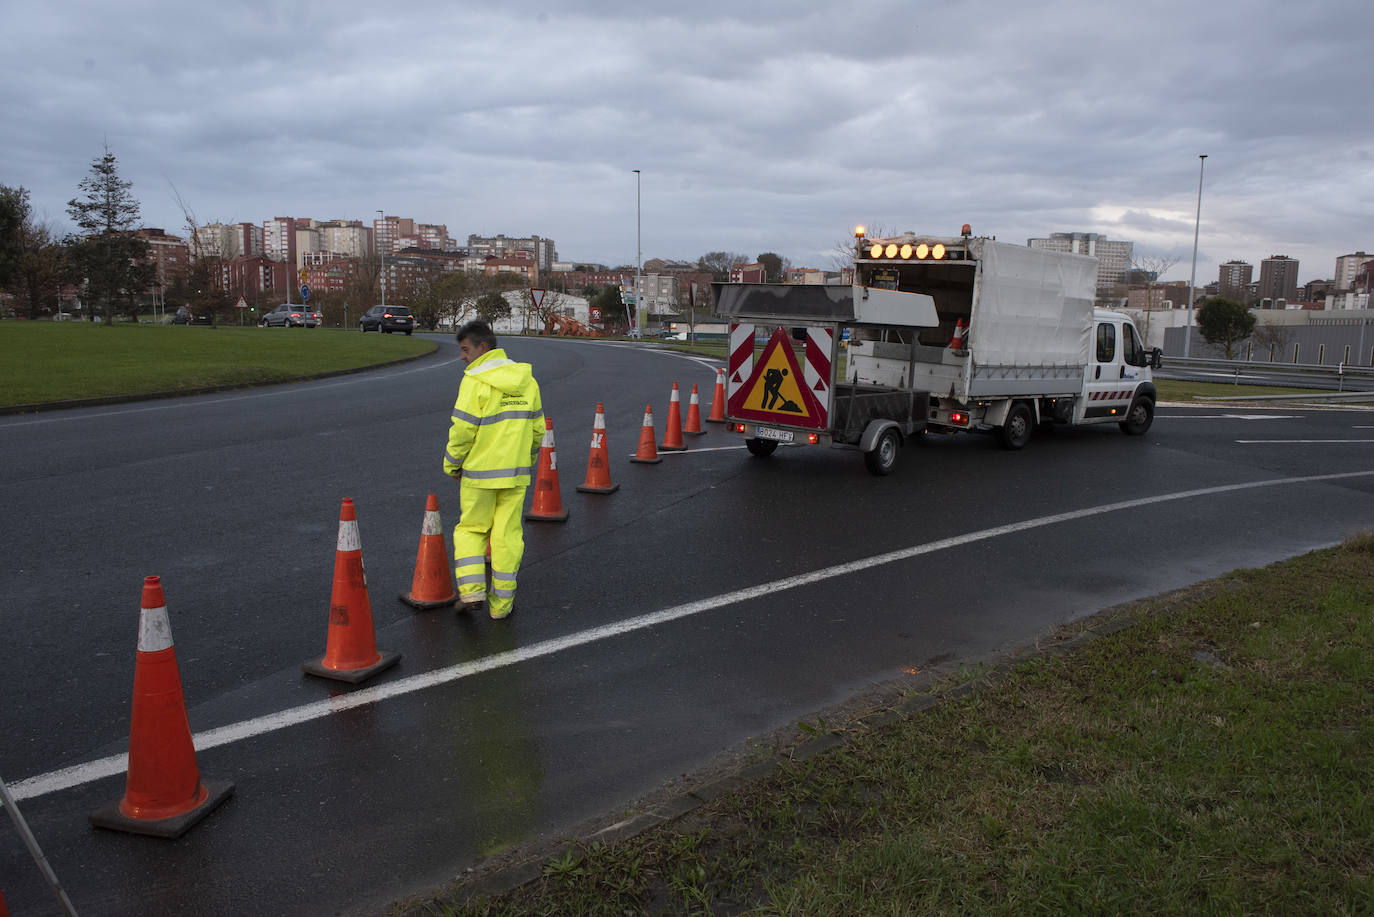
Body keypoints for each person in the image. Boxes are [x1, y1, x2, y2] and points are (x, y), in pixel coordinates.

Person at [442, 320, 544, 619]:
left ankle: (472, 592)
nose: (462, 356)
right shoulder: (527, 380)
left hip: (478, 474)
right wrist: (528, 459)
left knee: (472, 529)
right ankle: (502, 606)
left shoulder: (474, 381)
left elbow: (462, 430)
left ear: (482, 347)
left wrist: (452, 464)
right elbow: (537, 430)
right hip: (515, 474)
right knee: (507, 536)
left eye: (465, 350)